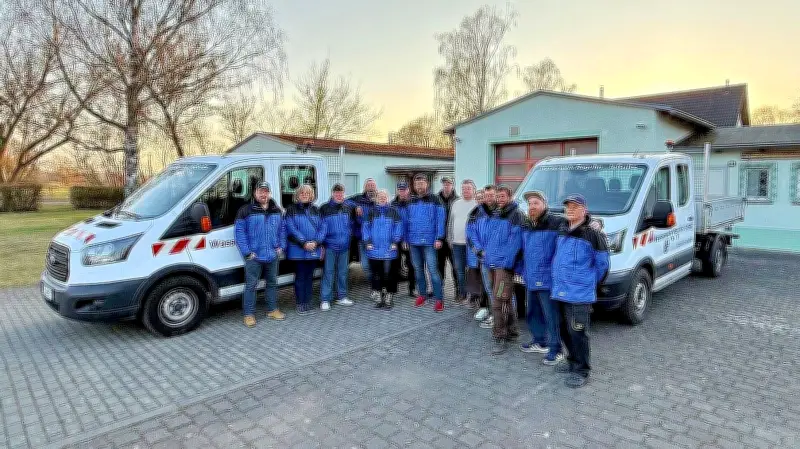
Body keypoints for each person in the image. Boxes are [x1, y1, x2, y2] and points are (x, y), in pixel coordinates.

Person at [551, 194, 609, 388]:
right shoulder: (562, 230)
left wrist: (588, 283)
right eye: (568, 207)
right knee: (563, 329)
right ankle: (572, 360)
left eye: (575, 207)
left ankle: (582, 370)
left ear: (584, 210)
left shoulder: (593, 235)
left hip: (579, 293)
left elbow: (602, 265)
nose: (570, 210)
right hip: (560, 290)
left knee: (578, 332)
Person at [520, 190, 565, 365]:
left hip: (547, 279)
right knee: (533, 312)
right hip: (531, 277)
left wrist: (594, 223)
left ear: (544, 205)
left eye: (536, 203)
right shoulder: (528, 224)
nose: (532, 206)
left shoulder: (556, 221)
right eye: (530, 203)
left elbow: (577, 225)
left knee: (551, 315)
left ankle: (556, 348)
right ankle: (540, 341)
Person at [234, 181, 286, 327]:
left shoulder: (276, 210)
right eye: (260, 191)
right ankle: (248, 314)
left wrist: (281, 246)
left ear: (269, 193)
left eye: (266, 191)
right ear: (255, 193)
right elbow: (239, 233)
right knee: (251, 285)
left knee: (272, 283)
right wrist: (247, 252)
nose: (263, 194)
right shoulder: (245, 210)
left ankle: (272, 310)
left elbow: (283, 229)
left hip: (272, 255)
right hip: (254, 257)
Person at [482, 184, 524, 354]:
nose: (499, 199)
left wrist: (507, 263)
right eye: (498, 196)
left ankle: (501, 335)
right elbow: (490, 238)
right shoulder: (496, 213)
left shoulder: (516, 215)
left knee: (499, 301)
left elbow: (516, 242)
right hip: (492, 263)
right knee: (504, 299)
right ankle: (512, 331)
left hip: (503, 266)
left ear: (511, 196)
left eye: (502, 196)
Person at [407, 174, 446, 312]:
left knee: (433, 270)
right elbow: (406, 221)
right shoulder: (410, 200)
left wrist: (439, 238)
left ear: (427, 184)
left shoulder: (436, 199)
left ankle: (439, 299)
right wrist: (406, 239)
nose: (419, 186)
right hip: (413, 241)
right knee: (418, 270)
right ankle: (422, 294)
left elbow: (440, 220)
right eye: (417, 184)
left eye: (422, 183)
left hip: (430, 241)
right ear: (414, 186)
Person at [285, 184, 323, 315]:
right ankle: (301, 303)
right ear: (297, 195)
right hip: (298, 250)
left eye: (307, 193)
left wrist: (316, 242)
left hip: (313, 249)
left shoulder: (316, 210)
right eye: (302, 193)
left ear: (311, 195)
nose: (305, 195)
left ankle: (308, 302)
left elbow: (322, 228)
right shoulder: (291, 209)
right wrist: (304, 243)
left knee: (309, 277)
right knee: (300, 277)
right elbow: (291, 228)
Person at [362, 189, 404, 309]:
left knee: (389, 273)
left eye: (384, 196)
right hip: (374, 248)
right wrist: (368, 242)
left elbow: (398, 227)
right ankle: (379, 295)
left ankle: (389, 295)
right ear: (376, 198)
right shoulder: (371, 212)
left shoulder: (393, 211)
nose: (382, 198)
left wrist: (395, 241)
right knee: (377, 273)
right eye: (380, 196)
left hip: (389, 248)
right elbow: (366, 228)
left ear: (388, 198)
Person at [318, 183, 355, 310]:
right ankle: (325, 299)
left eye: (341, 193)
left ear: (344, 194)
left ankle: (342, 297)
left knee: (343, 273)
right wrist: (321, 244)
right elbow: (320, 228)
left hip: (344, 246)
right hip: (329, 246)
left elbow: (352, 223)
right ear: (332, 193)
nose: (339, 195)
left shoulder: (348, 207)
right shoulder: (324, 208)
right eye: (336, 192)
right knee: (328, 273)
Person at [448, 179, 477, 306]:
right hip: (456, 243)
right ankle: (462, 293)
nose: (465, 190)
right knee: (459, 270)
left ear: (473, 190)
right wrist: (449, 238)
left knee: (472, 270)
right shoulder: (456, 203)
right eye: (463, 188)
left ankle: (474, 296)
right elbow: (450, 222)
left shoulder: (477, 204)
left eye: (468, 188)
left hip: (471, 245)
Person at [472, 185, 497, 328]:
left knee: (500, 289)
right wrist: (480, 251)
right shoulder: (478, 213)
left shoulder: (501, 212)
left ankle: (501, 317)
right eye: (487, 196)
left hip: (498, 260)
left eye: (491, 195)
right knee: (488, 287)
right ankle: (494, 314)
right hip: (484, 258)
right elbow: (473, 234)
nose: (488, 198)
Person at [347, 178, 377, 281]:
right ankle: (372, 281)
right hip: (362, 238)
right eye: (369, 185)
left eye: (372, 185)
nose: (371, 187)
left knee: (377, 262)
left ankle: (376, 284)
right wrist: (356, 206)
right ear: (365, 187)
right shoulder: (358, 198)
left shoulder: (379, 198)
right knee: (365, 265)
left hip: (377, 238)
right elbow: (345, 201)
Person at [391, 181, 416, 297]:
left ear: (408, 190)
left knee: (412, 265)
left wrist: (407, 239)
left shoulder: (414, 202)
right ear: (397, 190)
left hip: (410, 239)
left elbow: (414, 223)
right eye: (400, 189)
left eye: (404, 189)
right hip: (397, 239)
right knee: (395, 264)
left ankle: (412, 289)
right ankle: (393, 289)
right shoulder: (392, 204)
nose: (402, 192)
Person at [437, 176, 460, 296]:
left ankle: (458, 291)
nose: (446, 186)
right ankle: (439, 289)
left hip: (453, 239)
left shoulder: (458, 200)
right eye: (444, 184)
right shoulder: (436, 199)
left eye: (449, 184)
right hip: (440, 239)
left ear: (453, 185)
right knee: (439, 266)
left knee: (455, 267)